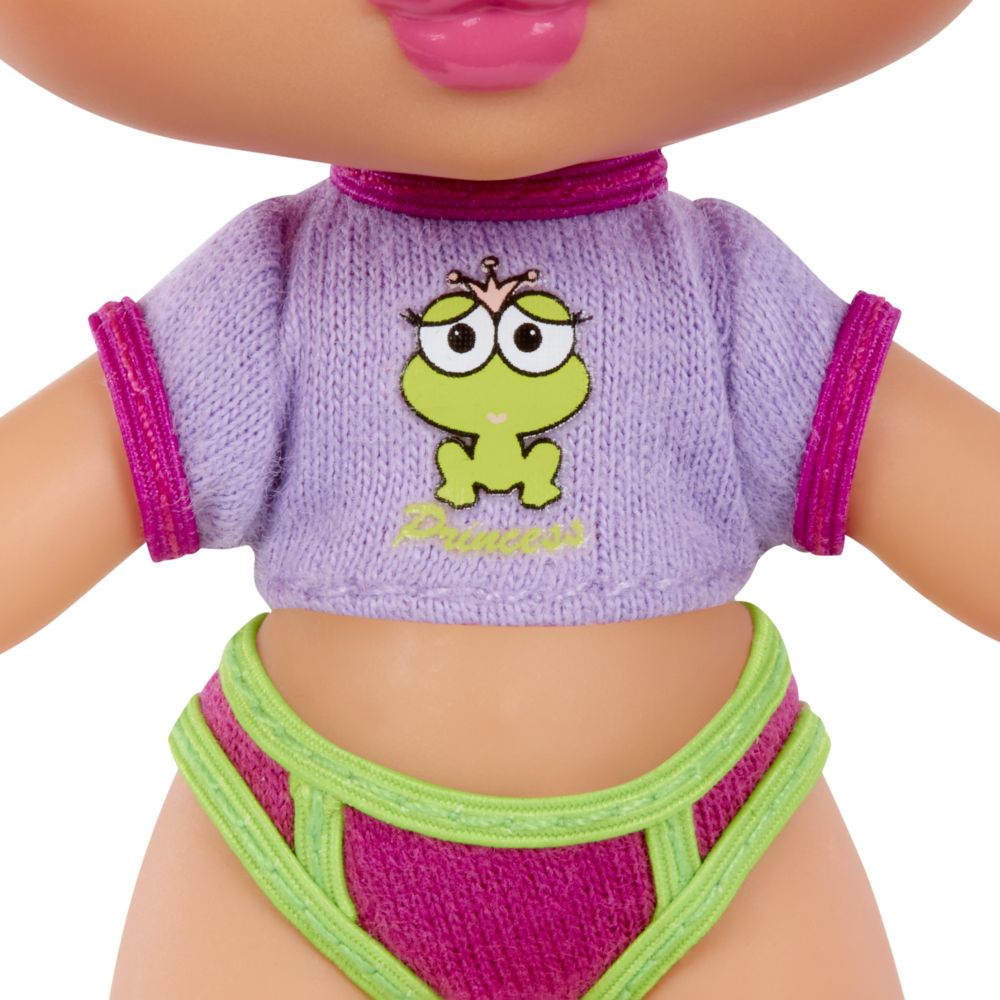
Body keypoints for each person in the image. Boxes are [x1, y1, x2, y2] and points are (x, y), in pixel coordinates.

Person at [1, 2, 997, 998]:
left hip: (717, 843)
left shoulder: (724, 289)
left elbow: (928, 475)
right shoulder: (266, 287)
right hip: (293, 851)